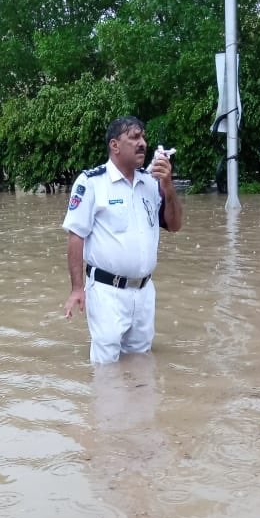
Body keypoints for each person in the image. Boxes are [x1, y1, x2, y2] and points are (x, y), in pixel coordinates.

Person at [63, 116, 183, 364]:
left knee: (141, 362)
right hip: (107, 292)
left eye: (143, 137)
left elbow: (174, 225)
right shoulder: (92, 183)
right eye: (134, 137)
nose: (143, 143)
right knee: (106, 367)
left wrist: (168, 187)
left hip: (143, 291)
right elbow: (76, 236)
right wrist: (77, 288)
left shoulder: (151, 182)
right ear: (115, 145)